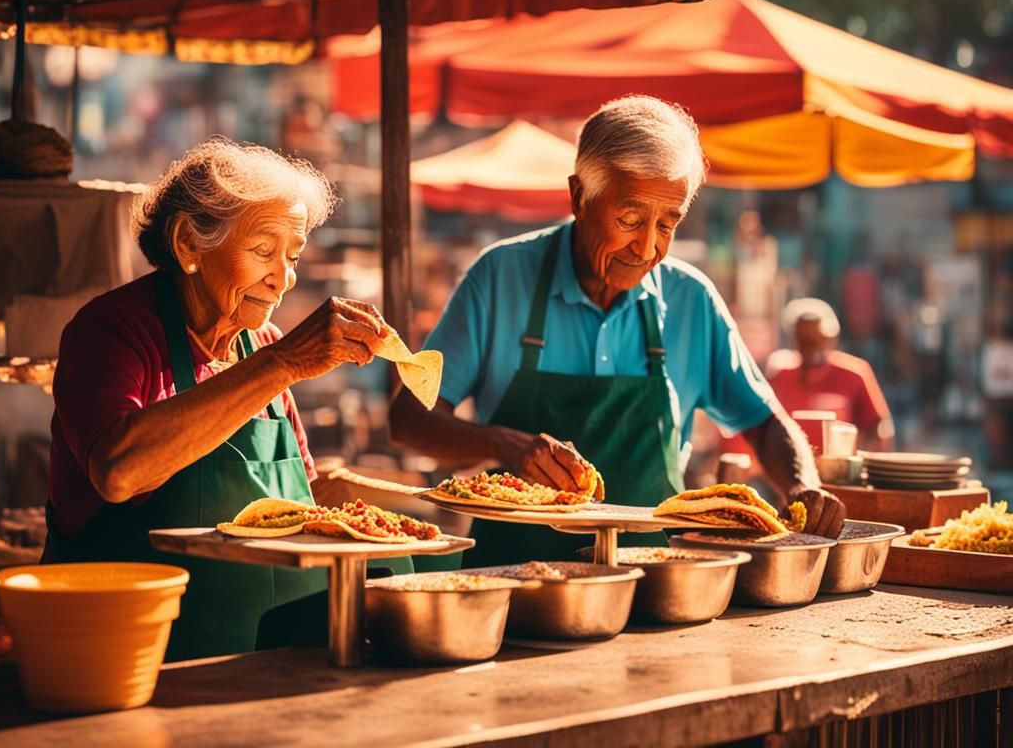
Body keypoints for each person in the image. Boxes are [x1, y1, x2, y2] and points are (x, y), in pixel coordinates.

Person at [389, 96, 844, 565]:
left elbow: (764, 424)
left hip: (654, 584)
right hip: (510, 581)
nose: (646, 249)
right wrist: (504, 443)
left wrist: (803, 485)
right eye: (629, 220)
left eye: (666, 224)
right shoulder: (500, 277)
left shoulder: (691, 299)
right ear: (579, 197)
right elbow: (408, 419)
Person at [46, 138, 390, 660]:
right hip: (126, 647)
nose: (283, 280)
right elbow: (118, 472)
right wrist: (283, 364)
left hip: (262, 651)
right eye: (263, 252)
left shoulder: (263, 343)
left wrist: (396, 506)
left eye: (292, 256)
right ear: (189, 244)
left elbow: (301, 500)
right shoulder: (110, 331)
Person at [766, 298, 895, 452]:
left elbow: (878, 426)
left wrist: (866, 456)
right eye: (804, 339)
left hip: (839, 463)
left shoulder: (853, 374)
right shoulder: (780, 376)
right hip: (791, 463)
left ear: (831, 338)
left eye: (817, 338)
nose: (811, 346)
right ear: (794, 339)